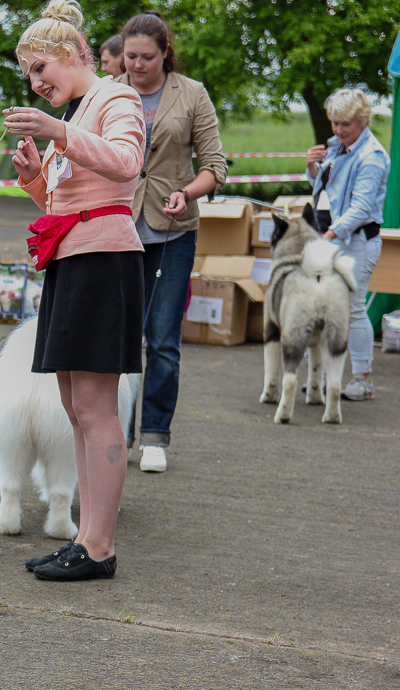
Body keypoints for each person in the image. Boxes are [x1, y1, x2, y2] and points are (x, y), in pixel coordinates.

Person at [4, 0, 145, 582]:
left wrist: (59, 132)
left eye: (41, 69)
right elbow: (67, 205)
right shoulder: (81, 109)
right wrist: (36, 177)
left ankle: (100, 547)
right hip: (74, 260)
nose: (37, 84)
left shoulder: (115, 97)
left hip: (104, 262)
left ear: (71, 54)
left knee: (94, 408)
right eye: (29, 76)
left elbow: (127, 164)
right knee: (74, 408)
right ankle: (85, 538)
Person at [117, 11, 228, 473]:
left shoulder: (192, 93)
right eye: (130, 56)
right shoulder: (106, 92)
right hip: (117, 229)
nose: (137, 65)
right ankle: (117, 433)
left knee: (161, 338)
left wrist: (188, 192)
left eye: (147, 57)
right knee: (119, 339)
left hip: (171, 233)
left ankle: (155, 435)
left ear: (166, 53)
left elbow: (215, 166)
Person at [306, 88, 389, 401]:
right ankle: (327, 377)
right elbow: (325, 187)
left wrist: (328, 236)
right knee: (328, 308)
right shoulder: (337, 146)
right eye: (334, 123)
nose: (338, 130)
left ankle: (363, 379)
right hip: (333, 235)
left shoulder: (372, 157)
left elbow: (361, 208)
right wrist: (313, 166)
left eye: (345, 125)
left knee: (353, 309)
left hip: (356, 241)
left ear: (364, 122)